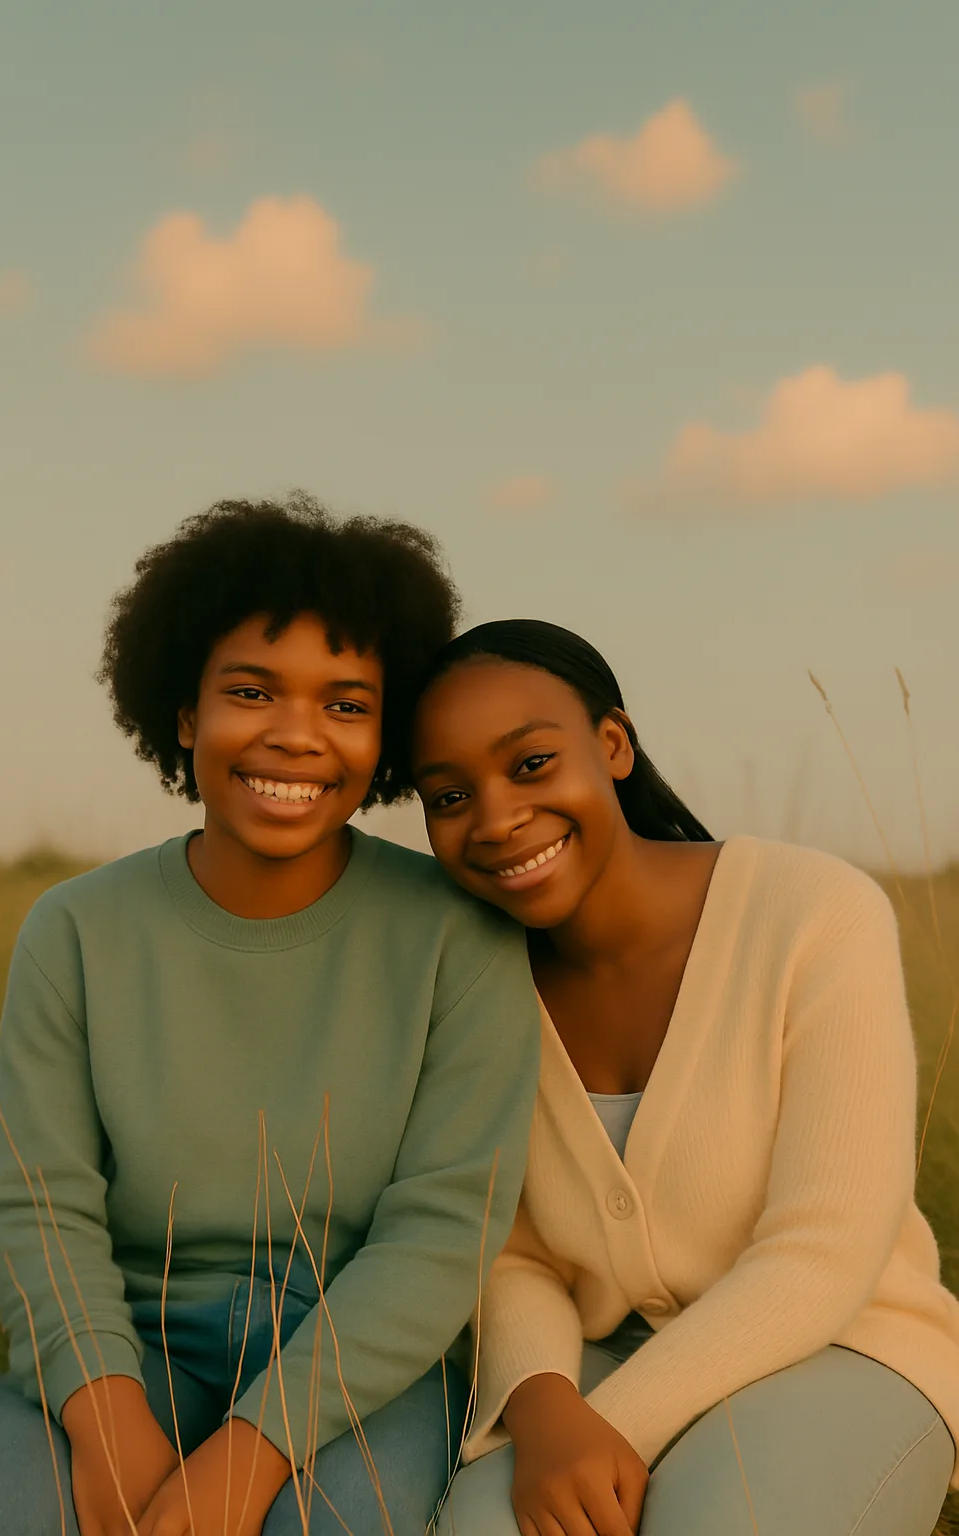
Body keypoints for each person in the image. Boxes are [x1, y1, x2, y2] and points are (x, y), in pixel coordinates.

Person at [0, 500, 542, 1536]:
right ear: (184, 714)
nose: (295, 734)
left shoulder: (459, 935)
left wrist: (252, 1454)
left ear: (383, 736)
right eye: (251, 691)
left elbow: (442, 1229)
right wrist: (106, 1414)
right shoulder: (77, 928)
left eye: (346, 704)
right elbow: (35, 1202)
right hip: (130, 1343)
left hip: (362, 1367)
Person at [409, 618, 959, 1536]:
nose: (497, 817)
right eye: (449, 795)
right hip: (589, 1363)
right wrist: (545, 1413)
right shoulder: (470, 978)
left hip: (850, 1350)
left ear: (612, 745)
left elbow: (821, 1253)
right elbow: (511, 1251)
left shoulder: (815, 914)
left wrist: (608, 1427)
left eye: (532, 765)